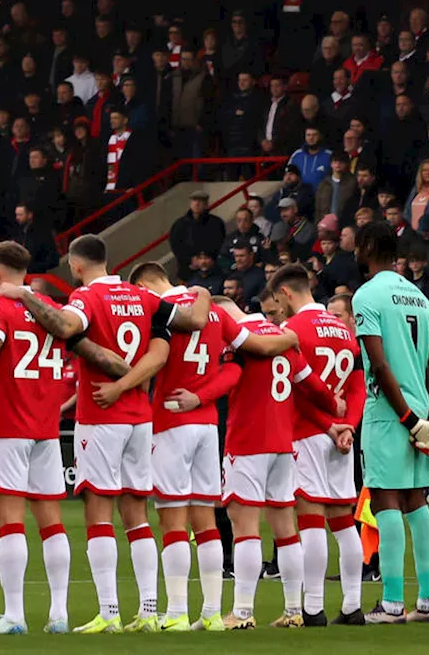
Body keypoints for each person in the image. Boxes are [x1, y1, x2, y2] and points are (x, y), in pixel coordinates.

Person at [0, 234, 212, 633]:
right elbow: (194, 321)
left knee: (99, 512)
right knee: (136, 513)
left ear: (77, 266)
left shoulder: (86, 298)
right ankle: (148, 610)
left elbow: (63, 326)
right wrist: (200, 290)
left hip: (101, 412)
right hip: (140, 418)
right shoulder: (141, 297)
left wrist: (25, 296)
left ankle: (109, 613)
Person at [0, 241, 129, 636]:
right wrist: (131, 373)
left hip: (9, 426)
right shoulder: (50, 310)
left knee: (11, 522)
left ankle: (14, 615)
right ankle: (59, 615)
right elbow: (88, 348)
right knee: (51, 523)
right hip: (47, 430)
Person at [129, 263, 299, 631]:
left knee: (173, 522)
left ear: (143, 284)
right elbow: (249, 354)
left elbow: (150, 362)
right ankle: (210, 613)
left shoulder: (156, 308)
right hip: (207, 425)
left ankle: (175, 613)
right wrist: (288, 338)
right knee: (205, 522)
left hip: (171, 418)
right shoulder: (217, 312)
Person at [209, 296, 339, 630]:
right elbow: (311, 383)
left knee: (244, 525)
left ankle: (241, 613)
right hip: (284, 443)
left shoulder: (240, 338)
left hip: (248, 441)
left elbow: (230, 378)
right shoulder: (279, 337)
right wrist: (333, 406)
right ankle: (294, 610)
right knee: (285, 527)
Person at [351, 221, 429, 624]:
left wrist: (410, 420)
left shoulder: (367, 296)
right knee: (416, 502)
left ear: (364, 247)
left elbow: (377, 363)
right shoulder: (420, 297)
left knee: (384, 499)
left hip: (388, 413)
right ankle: (427, 602)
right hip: (419, 409)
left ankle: (392, 602)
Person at [269, 264, 368, 626]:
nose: (279, 306)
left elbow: (295, 389)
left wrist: (329, 425)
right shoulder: (344, 330)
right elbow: (357, 386)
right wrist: (348, 428)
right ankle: (352, 605)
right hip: (341, 438)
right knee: (343, 522)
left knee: (310, 521)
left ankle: (312, 608)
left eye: (279, 299)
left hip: (308, 433)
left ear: (288, 293)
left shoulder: (290, 330)